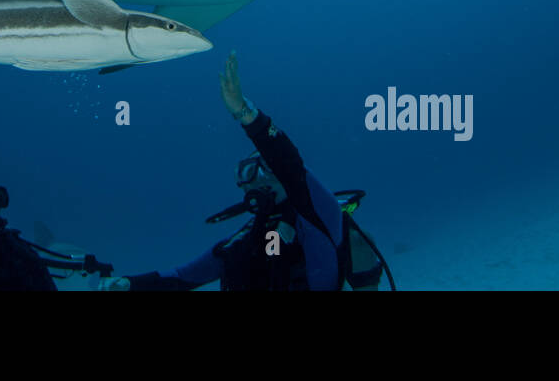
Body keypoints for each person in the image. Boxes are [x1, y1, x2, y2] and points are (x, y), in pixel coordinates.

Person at [101, 52, 369, 291]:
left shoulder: (319, 217)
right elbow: (183, 277)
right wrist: (130, 284)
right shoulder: (244, 239)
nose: (251, 182)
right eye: (244, 174)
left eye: (262, 169)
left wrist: (246, 113)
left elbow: (290, 165)